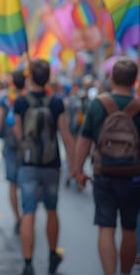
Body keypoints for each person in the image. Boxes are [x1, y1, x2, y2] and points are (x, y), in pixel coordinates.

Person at [73, 58, 140, 275]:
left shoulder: (98, 104)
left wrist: (78, 169)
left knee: (106, 226)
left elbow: (84, 140)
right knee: (129, 228)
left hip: (104, 174)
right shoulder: (139, 106)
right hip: (133, 176)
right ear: (134, 81)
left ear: (112, 78)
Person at [13, 59, 75, 275]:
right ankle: (51, 255)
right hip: (51, 165)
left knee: (28, 211)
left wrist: (27, 148)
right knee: (51, 210)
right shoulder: (56, 102)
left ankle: (28, 263)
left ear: (31, 77)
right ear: (48, 77)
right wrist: (74, 166)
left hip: (28, 164)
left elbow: (19, 132)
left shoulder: (21, 102)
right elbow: (66, 135)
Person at [0, 69, 25, 235]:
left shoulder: (5, 98)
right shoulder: (29, 96)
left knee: (13, 183)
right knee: (28, 182)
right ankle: (28, 215)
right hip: (30, 147)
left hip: (11, 146)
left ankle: (19, 218)